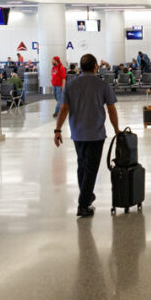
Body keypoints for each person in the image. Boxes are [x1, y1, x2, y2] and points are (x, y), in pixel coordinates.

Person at [53, 53, 121, 218]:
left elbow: (63, 109)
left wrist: (58, 130)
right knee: (91, 169)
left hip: (77, 133)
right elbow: (111, 109)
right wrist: (117, 130)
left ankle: (87, 195)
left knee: (82, 166)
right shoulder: (102, 84)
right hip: (96, 134)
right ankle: (83, 205)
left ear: (81, 67)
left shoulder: (70, 84)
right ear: (95, 66)